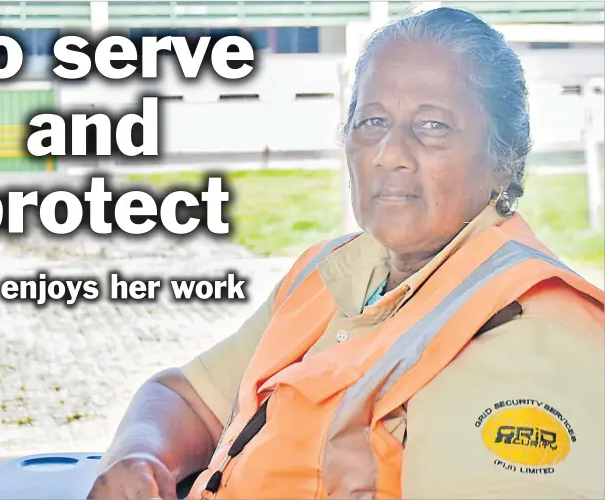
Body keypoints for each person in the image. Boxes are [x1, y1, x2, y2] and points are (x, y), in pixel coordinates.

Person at [87, 7, 604, 499]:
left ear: (503, 161)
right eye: (373, 121)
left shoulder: (530, 330)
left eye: (433, 126)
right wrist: (139, 457)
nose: (390, 155)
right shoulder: (330, 271)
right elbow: (188, 398)